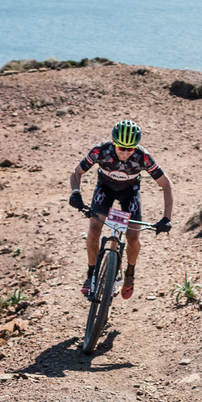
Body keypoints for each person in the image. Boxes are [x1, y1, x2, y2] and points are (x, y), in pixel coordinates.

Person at [69, 120, 174, 301]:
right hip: (105, 189)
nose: (125, 153)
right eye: (121, 147)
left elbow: (166, 184)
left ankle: (130, 274)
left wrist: (166, 218)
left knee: (133, 239)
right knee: (94, 230)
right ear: (113, 142)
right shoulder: (100, 151)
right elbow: (76, 173)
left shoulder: (143, 157)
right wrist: (76, 193)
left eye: (130, 149)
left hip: (129, 193)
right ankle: (90, 275)